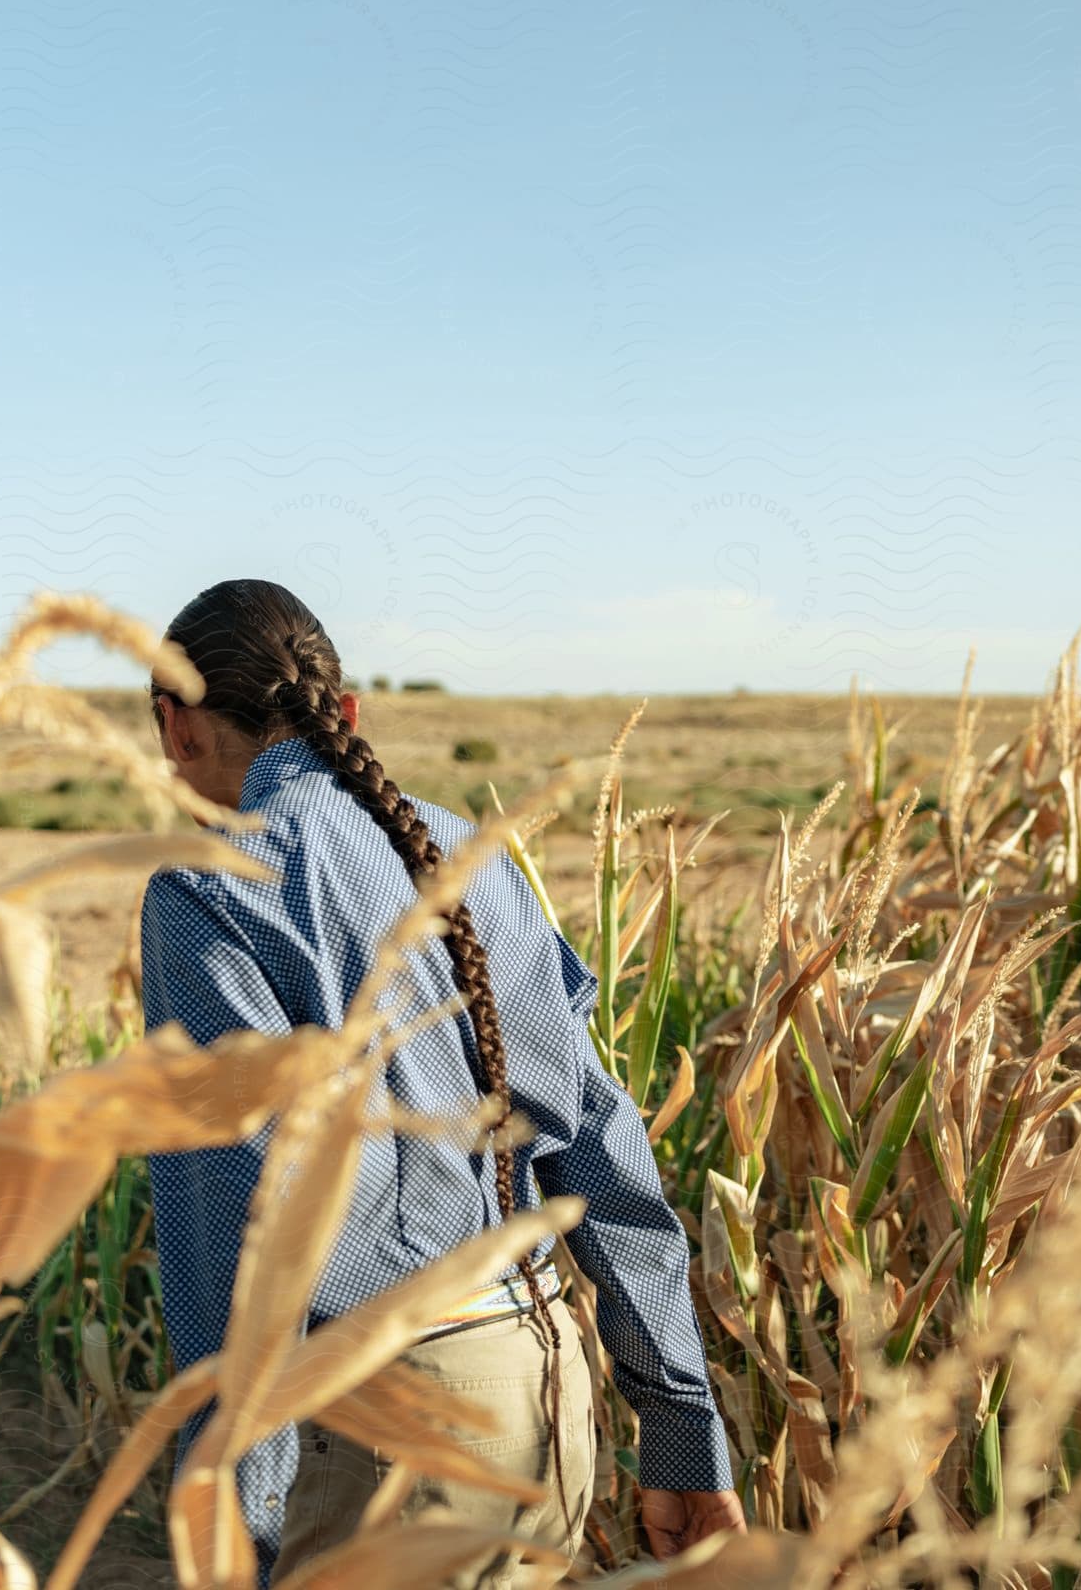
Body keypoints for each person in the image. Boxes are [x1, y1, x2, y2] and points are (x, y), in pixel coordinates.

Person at [140, 578, 746, 1589]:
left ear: (176, 724)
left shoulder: (210, 888)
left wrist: (231, 1525)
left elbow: (246, 1220)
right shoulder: (472, 861)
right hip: (542, 1397)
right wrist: (683, 1428)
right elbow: (596, 1135)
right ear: (346, 714)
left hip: (384, 1428)